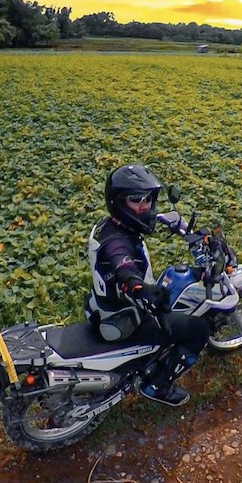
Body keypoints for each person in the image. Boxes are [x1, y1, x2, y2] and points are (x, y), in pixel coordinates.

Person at [84, 164, 210, 407]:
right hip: (125, 317)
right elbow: (124, 268)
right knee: (199, 329)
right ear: (119, 201)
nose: (144, 206)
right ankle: (157, 385)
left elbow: (152, 220)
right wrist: (141, 288)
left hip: (105, 304)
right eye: (136, 200)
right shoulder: (116, 244)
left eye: (149, 199)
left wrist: (180, 226)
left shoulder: (112, 225)